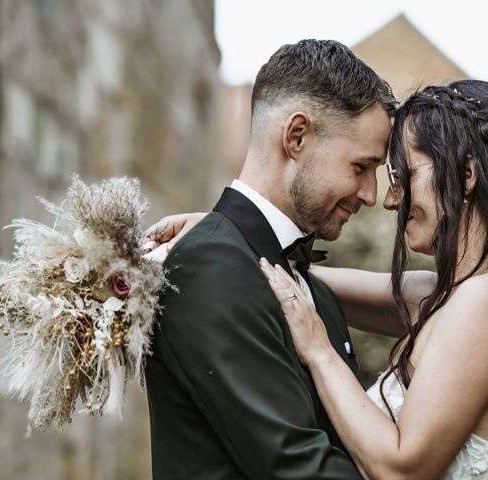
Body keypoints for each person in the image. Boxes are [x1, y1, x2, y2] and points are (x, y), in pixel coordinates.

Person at [147, 80, 488, 479]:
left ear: (466, 174)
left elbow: (402, 469)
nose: (389, 200)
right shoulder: (451, 299)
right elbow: (304, 277)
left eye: (402, 176)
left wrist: (319, 351)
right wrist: (229, 231)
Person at [143, 39, 401, 479]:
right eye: (361, 167)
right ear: (296, 136)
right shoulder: (210, 269)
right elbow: (298, 466)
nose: (371, 195)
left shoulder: (297, 278)